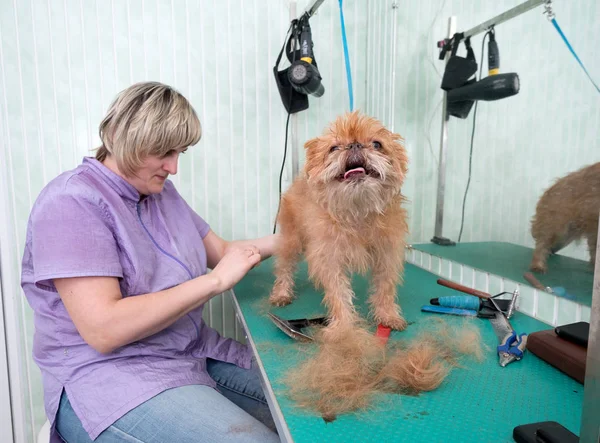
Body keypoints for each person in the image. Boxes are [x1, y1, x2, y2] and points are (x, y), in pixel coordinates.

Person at [21, 82, 280, 443]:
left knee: (304, 407)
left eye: (180, 153)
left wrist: (298, 239)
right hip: (108, 377)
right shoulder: (71, 202)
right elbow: (104, 330)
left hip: (186, 355)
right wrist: (214, 282)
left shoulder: (160, 192)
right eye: (163, 152)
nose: (173, 167)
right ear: (116, 136)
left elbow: (223, 253)